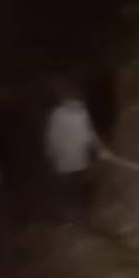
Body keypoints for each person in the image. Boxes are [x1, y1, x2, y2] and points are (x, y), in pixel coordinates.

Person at [44, 87, 101, 223]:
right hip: (70, 159)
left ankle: (76, 214)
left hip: (74, 158)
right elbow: (53, 137)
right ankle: (72, 215)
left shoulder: (77, 113)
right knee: (71, 188)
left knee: (73, 187)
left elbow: (88, 133)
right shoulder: (62, 114)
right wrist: (51, 153)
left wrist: (98, 147)